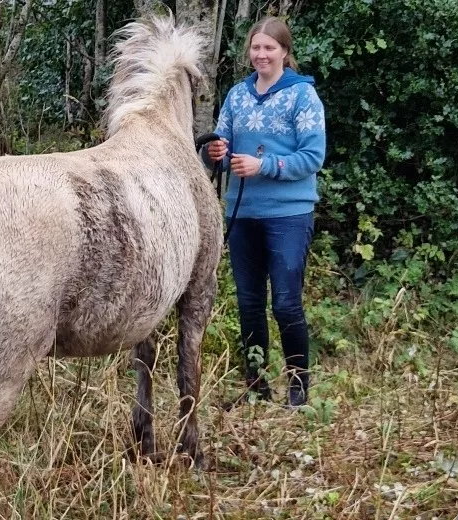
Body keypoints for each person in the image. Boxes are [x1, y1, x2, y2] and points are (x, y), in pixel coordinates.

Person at [201, 16, 326, 409]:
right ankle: (256, 386)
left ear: (284, 52)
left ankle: (298, 387)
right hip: (243, 213)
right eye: (256, 47)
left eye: (269, 47)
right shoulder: (237, 96)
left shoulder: (302, 95)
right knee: (249, 303)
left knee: (286, 302)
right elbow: (221, 151)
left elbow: (313, 156)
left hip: (289, 214)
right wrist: (215, 153)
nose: (261, 54)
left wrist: (265, 165)